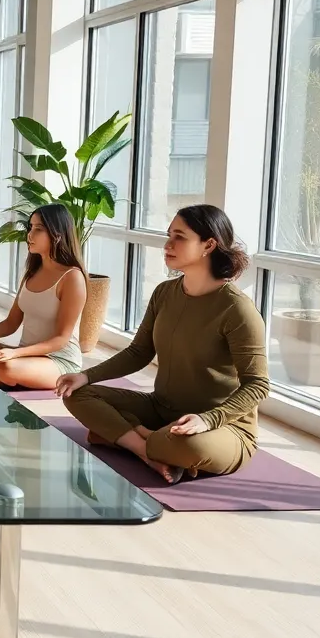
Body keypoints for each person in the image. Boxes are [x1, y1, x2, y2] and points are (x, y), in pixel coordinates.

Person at [58, 204, 270, 483]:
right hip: (161, 410)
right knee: (77, 393)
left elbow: (258, 385)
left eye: (179, 237)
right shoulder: (164, 293)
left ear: (208, 245)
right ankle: (147, 450)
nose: (168, 244)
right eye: (169, 235)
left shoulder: (237, 310)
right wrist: (86, 375)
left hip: (222, 427)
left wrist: (207, 420)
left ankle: (128, 437)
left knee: (189, 445)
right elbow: (139, 352)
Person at [0, 204, 86, 389]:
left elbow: (61, 339)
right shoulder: (32, 273)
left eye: (38, 229)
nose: (29, 235)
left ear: (57, 235)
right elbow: (10, 324)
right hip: (25, 354)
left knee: (5, 367)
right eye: (30, 228)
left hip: (58, 361)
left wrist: (15, 355)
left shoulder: (72, 278)